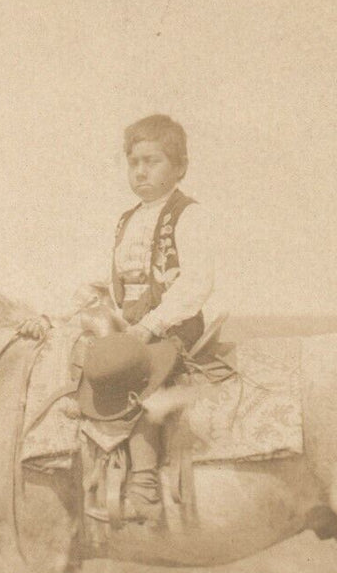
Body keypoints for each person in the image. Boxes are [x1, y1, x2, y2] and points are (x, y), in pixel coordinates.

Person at [19, 114, 218, 525]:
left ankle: (144, 483)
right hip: (129, 327)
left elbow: (196, 282)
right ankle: (79, 474)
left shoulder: (189, 215)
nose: (141, 171)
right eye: (134, 162)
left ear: (179, 167)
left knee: (132, 373)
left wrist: (152, 325)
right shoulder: (126, 221)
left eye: (153, 161)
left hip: (172, 327)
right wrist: (48, 316)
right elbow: (95, 284)